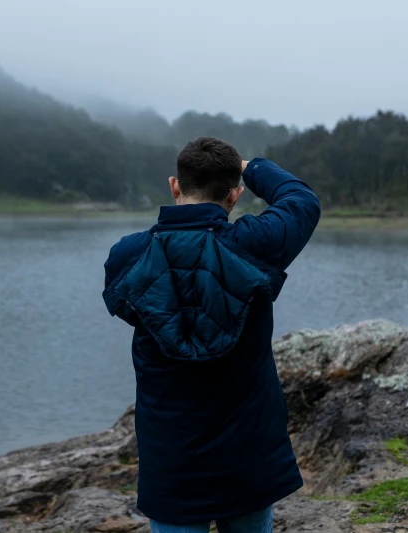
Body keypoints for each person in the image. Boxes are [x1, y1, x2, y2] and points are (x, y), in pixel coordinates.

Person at [102, 137, 321, 533]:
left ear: (174, 185)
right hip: (249, 454)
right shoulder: (255, 245)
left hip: (172, 457)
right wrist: (249, 166)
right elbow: (301, 200)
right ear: (235, 196)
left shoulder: (129, 256)